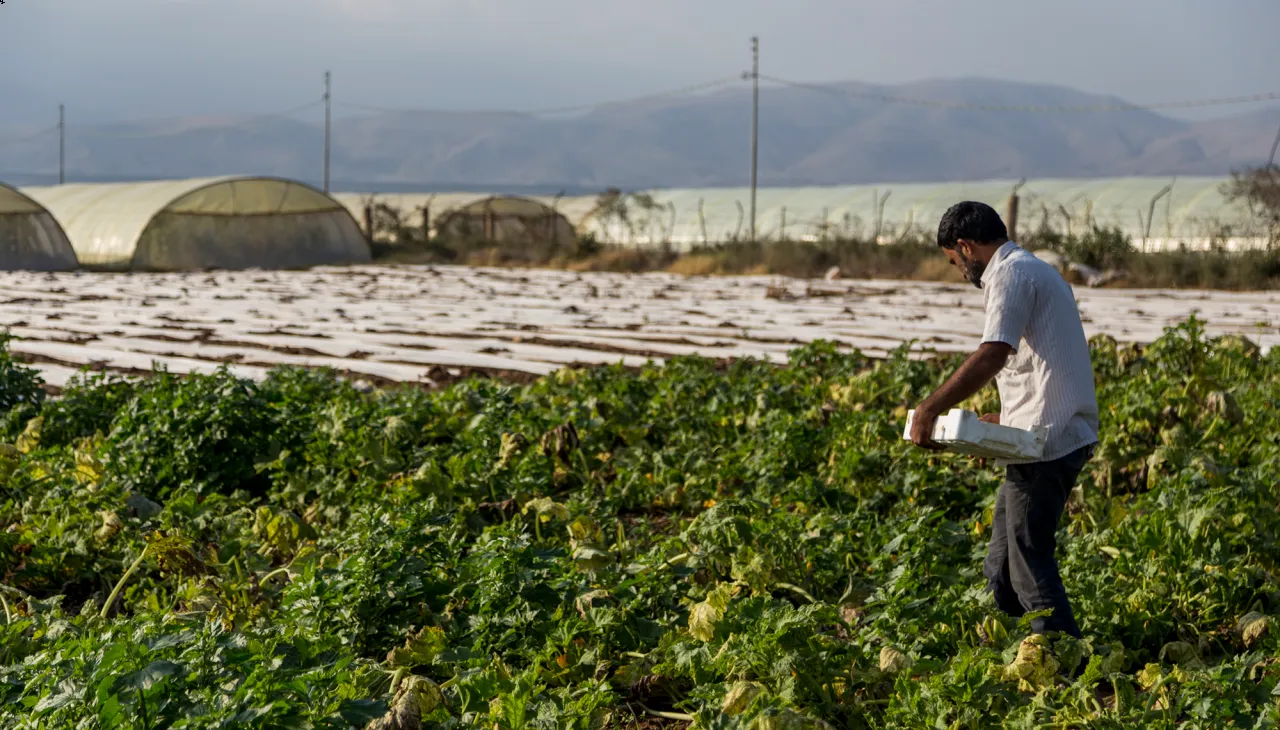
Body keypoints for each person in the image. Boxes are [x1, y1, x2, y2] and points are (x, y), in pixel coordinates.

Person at [908, 201, 1099, 639]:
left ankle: (1064, 659)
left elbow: (994, 352)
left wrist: (930, 407)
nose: (960, 272)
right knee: (1000, 566)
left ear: (965, 246)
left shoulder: (1009, 274)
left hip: (1048, 441)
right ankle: (1020, 650)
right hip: (1043, 432)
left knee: (1028, 557)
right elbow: (1041, 360)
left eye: (955, 261)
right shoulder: (1034, 269)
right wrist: (1003, 418)